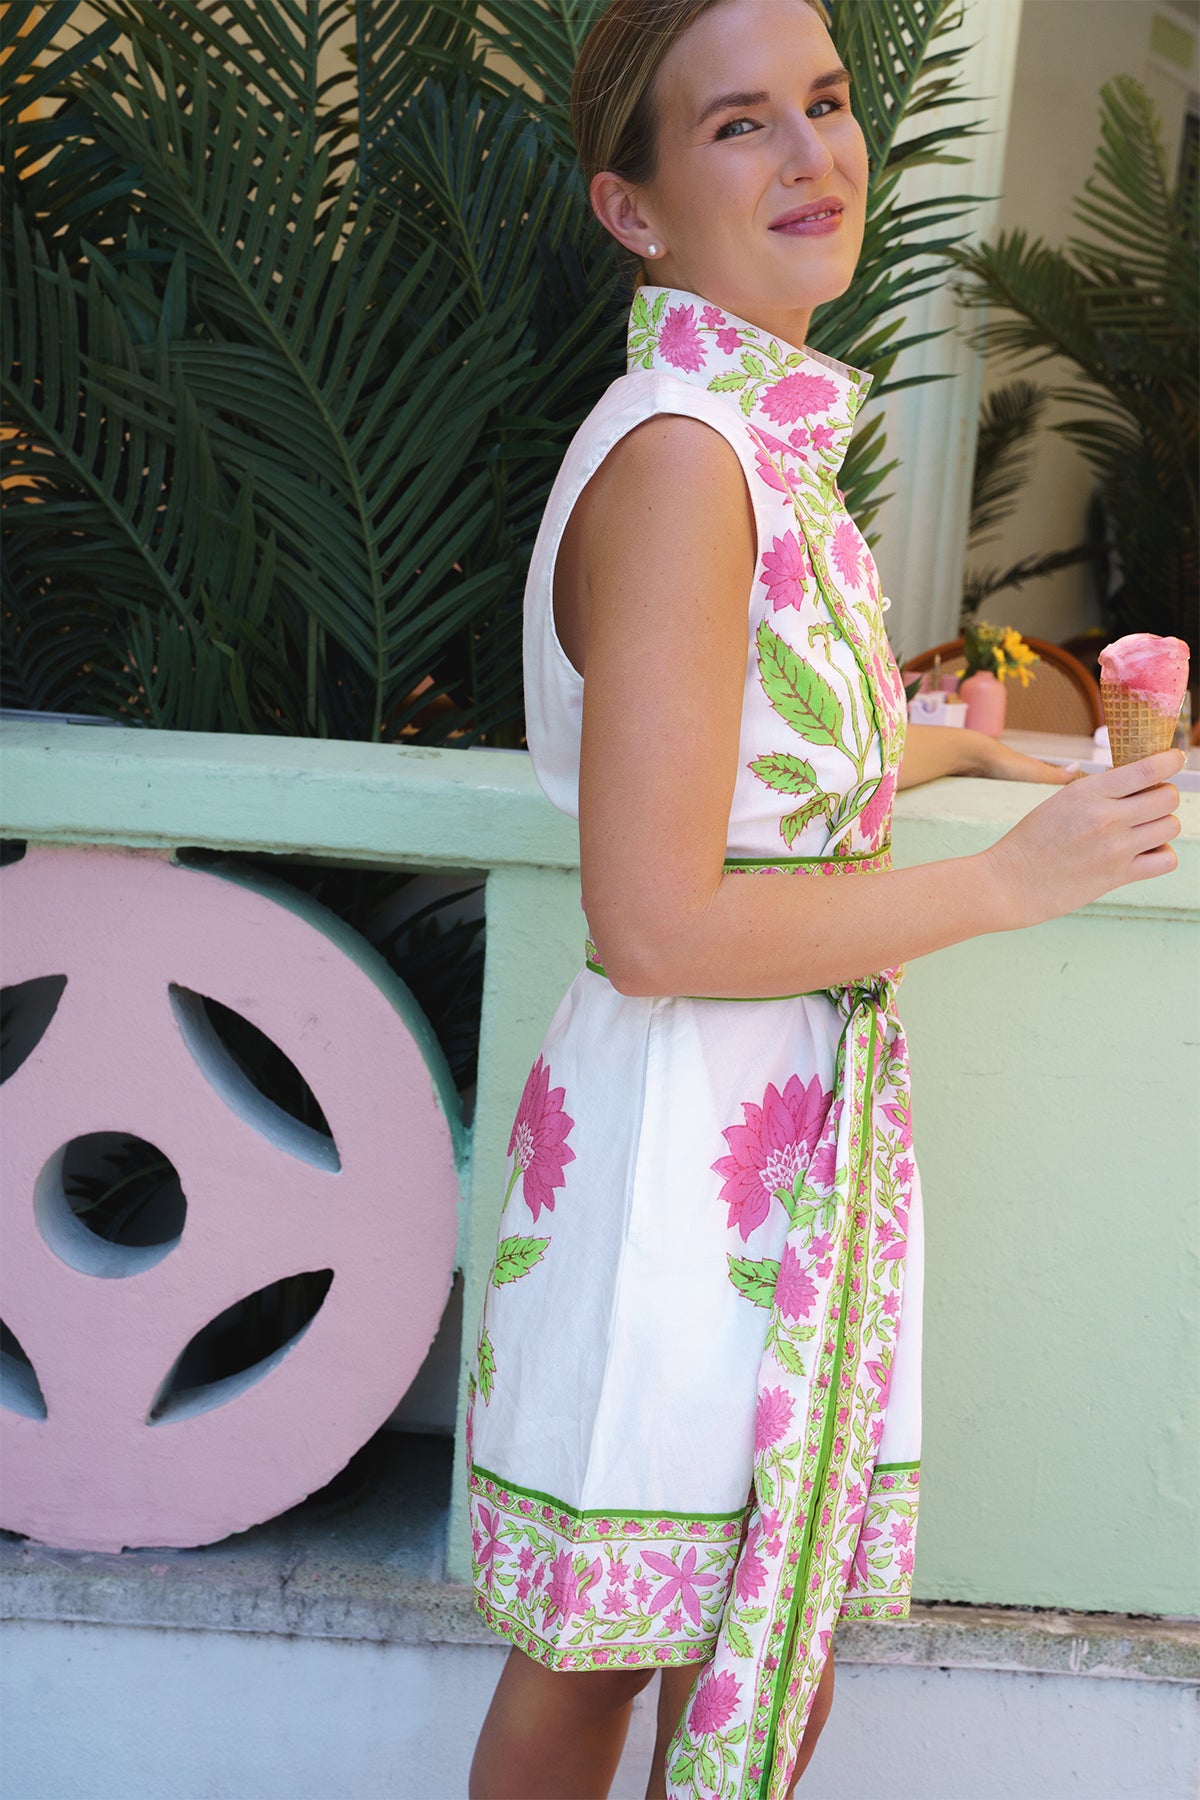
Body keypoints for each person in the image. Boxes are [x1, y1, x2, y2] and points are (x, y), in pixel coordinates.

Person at [465, 2, 1185, 1795]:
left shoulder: (751, 444)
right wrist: (1009, 884)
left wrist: (985, 755)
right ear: (631, 208)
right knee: (610, 1658)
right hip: (684, 1140)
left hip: (773, 1128)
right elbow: (653, 922)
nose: (814, 155)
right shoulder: (684, 464)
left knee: (729, 1654)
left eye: (828, 100)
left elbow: (759, 760)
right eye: (739, 125)